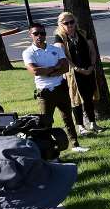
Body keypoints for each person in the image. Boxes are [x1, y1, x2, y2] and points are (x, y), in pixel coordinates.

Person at [22, 22, 84, 151]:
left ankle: (75, 144)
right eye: (36, 33)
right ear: (30, 35)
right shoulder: (28, 52)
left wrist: (48, 71)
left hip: (60, 87)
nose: (40, 36)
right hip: (44, 92)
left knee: (67, 117)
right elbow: (35, 71)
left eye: (42, 33)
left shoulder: (55, 49)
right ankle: (48, 149)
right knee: (46, 122)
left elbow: (65, 67)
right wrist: (54, 68)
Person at [55, 11, 103, 135]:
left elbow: (92, 50)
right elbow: (63, 56)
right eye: (66, 23)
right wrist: (77, 69)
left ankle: (93, 123)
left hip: (88, 69)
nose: (70, 25)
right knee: (75, 99)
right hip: (73, 73)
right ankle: (80, 126)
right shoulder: (59, 37)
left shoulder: (83, 33)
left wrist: (92, 66)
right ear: (61, 24)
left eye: (72, 22)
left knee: (89, 97)